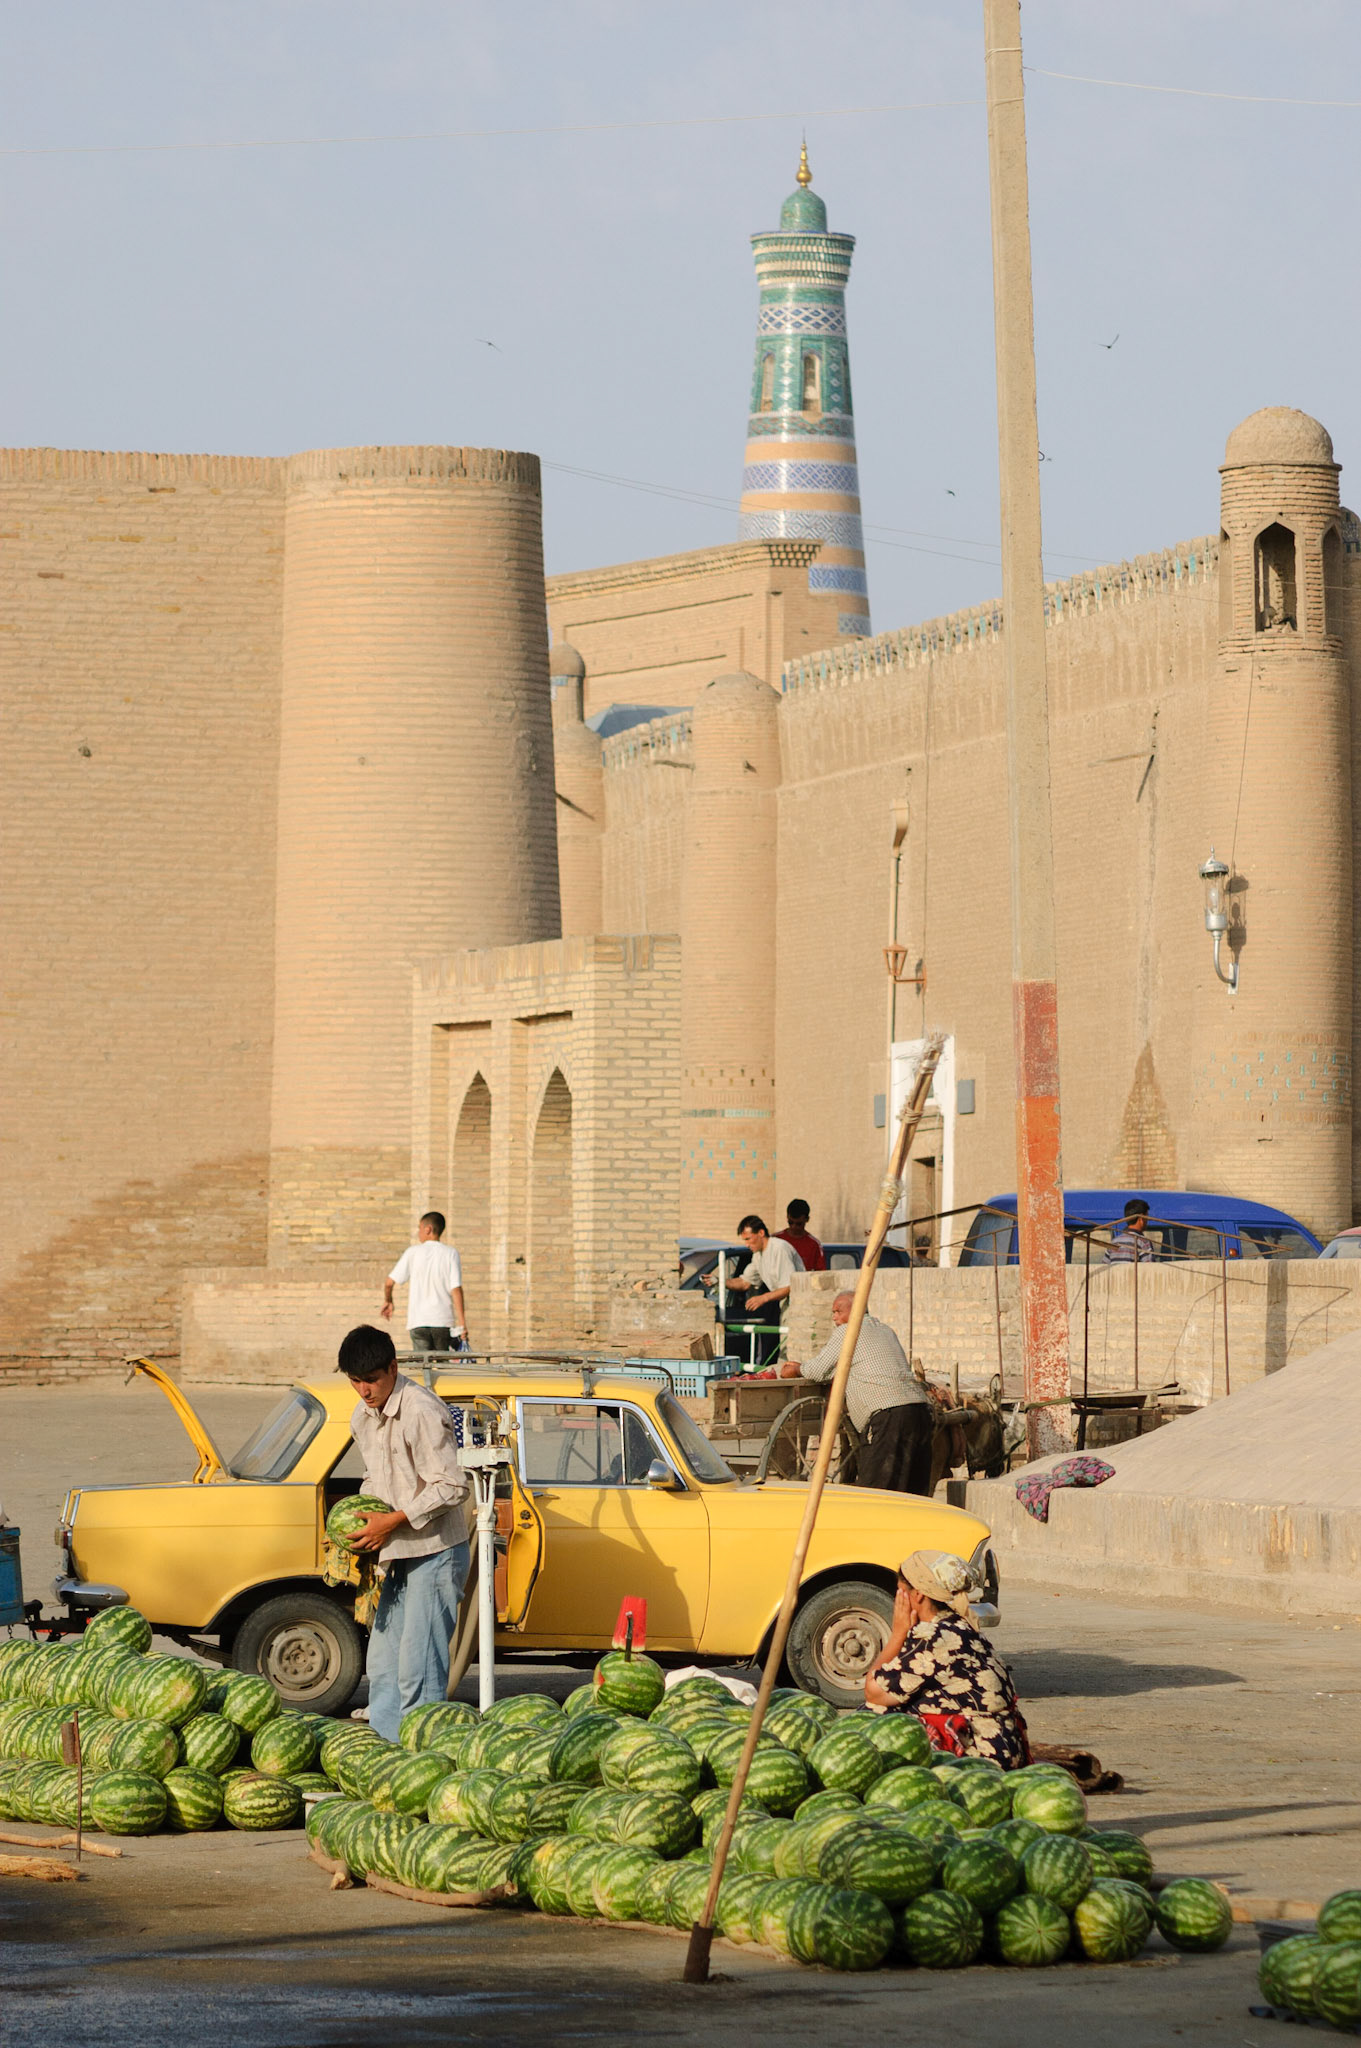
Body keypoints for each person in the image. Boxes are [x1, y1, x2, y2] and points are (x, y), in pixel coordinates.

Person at [338, 1324, 471, 1743]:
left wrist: (392, 1521)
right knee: (382, 1666)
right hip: (396, 1554)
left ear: (393, 1368)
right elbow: (373, 1480)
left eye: (371, 1380)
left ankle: (421, 1760)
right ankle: (385, 1758)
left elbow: (452, 1486)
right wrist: (354, 1528)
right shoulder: (362, 1415)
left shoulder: (421, 1410)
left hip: (436, 1553)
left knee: (419, 1669)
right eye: (355, 1381)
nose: (364, 1390)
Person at [864, 1549, 1030, 1767]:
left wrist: (898, 1633)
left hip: (987, 1756)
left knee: (875, 1714)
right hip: (1007, 1743)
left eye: (900, 1592)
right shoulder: (957, 1624)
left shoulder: (933, 1637)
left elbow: (873, 1691)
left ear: (918, 1595)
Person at [782, 1290, 934, 1492]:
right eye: (833, 1312)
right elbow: (848, 1366)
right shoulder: (886, 1330)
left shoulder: (847, 1331)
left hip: (889, 1417)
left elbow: (819, 1370)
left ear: (856, 1310)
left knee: (875, 1493)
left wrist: (797, 1369)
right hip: (920, 1411)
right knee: (913, 1494)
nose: (834, 1317)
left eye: (838, 1311)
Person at [708, 1213, 803, 1366]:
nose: (746, 1244)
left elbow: (790, 1286)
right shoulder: (758, 1255)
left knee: (791, 1352)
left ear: (760, 1233)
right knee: (784, 1351)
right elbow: (744, 1282)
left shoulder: (779, 1248)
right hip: (785, 1305)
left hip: (799, 1306)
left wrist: (763, 1298)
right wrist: (718, 1281)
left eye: (748, 1239)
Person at [382, 1211, 468, 1353]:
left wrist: (388, 1300)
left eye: (419, 1228)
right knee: (442, 1367)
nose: (418, 1232)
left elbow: (389, 1283)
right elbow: (456, 1289)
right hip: (442, 1321)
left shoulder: (412, 1252)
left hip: (418, 1321)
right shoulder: (450, 1253)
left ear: (428, 1229)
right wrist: (462, 1324)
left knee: (422, 1366)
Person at [776, 1199, 827, 1273]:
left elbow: (820, 1273)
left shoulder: (814, 1245)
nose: (794, 1227)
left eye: (799, 1224)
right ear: (787, 1217)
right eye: (791, 1222)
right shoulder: (776, 1239)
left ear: (807, 1219)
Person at [1104, 1197, 1153, 1264]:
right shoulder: (1143, 1242)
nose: (1147, 1220)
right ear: (1141, 1218)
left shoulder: (1114, 1242)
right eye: (1147, 1217)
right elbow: (1149, 1269)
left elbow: (1105, 1265)